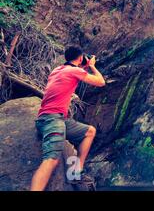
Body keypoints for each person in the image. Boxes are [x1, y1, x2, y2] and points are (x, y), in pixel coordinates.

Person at [30, 46, 106, 191]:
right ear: (80, 58)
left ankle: (76, 172)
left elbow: (69, 74)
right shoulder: (74, 71)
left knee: (90, 131)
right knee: (51, 160)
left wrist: (81, 64)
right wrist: (91, 66)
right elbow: (101, 82)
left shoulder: (57, 70)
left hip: (56, 119)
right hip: (52, 120)